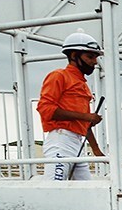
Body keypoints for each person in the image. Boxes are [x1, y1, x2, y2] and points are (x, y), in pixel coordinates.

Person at [36, 30, 104, 180]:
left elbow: (84, 122)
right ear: (74, 55)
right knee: (54, 189)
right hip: (61, 141)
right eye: (90, 56)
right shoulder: (58, 76)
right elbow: (45, 109)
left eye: (95, 57)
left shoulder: (83, 85)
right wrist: (86, 116)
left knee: (88, 192)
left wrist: (96, 149)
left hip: (77, 144)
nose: (94, 61)